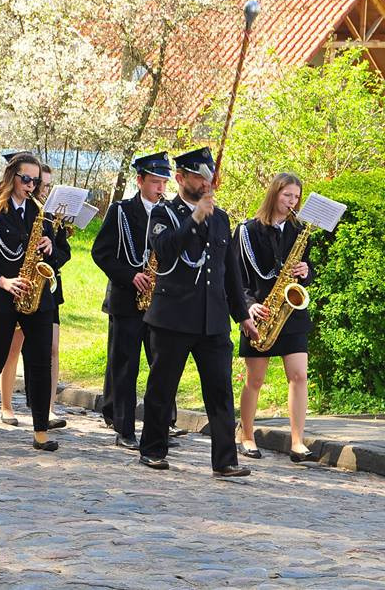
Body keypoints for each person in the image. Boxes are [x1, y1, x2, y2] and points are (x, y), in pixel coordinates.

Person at [138, 147, 259, 476]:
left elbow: (229, 271)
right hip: (173, 317)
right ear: (180, 178)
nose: (205, 182)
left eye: (208, 176)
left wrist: (243, 314)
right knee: (162, 388)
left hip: (213, 319)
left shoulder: (221, 218)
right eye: (197, 176)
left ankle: (225, 460)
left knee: (220, 391)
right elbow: (163, 250)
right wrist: (195, 218)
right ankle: (152, 450)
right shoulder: (164, 214)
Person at [0, 152, 68, 451]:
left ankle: (40, 430)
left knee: (39, 362)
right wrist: (2, 281)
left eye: (36, 182)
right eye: (26, 179)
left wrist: (51, 247)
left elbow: (64, 253)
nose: (32, 186)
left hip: (37, 297)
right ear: (12, 177)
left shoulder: (42, 213)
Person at [91, 152, 179, 450]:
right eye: (154, 182)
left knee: (161, 366)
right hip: (127, 301)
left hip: (160, 304)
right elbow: (100, 253)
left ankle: (160, 428)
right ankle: (124, 427)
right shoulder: (121, 211)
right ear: (139, 180)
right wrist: (130, 276)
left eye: (163, 182)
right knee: (125, 367)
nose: (160, 188)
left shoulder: (169, 212)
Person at [233, 172, 317, 463]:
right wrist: (247, 306)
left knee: (299, 376)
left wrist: (306, 272)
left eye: (296, 197)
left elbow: (308, 271)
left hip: (291, 313)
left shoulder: (300, 229)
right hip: (261, 311)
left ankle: (297, 441)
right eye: (287, 196)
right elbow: (233, 276)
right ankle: (246, 434)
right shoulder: (247, 231)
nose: (292, 202)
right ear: (274, 194)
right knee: (255, 379)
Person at [0, 164, 71, 429]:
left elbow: (65, 252)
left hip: (47, 288)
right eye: (40, 185)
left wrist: (51, 250)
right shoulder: (14, 209)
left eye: (47, 186)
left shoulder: (50, 216)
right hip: (18, 285)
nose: (42, 189)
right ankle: (6, 405)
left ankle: (46, 409)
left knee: (50, 350)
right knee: (13, 348)